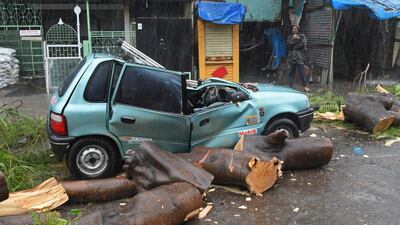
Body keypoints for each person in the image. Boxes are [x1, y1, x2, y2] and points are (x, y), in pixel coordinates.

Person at [287, 25, 310, 92]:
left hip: (299, 57)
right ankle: (290, 85)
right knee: (291, 72)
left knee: (301, 72)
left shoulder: (302, 36)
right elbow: (289, 44)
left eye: (295, 28)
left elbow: (303, 44)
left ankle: (305, 86)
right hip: (292, 57)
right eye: (293, 28)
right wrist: (294, 39)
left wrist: (295, 43)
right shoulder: (290, 37)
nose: (294, 29)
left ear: (298, 29)